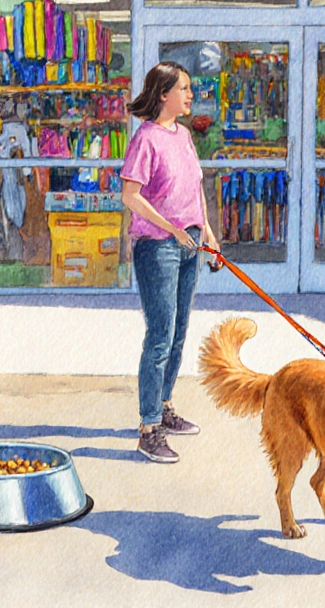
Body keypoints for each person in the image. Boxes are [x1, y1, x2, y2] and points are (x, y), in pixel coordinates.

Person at [120, 61, 218, 464]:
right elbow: (131, 195)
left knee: (178, 332)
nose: (191, 95)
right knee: (160, 336)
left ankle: (163, 406)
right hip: (158, 246)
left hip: (190, 241)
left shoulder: (183, 136)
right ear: (164, 94)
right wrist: (172, 228)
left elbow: (194, 188)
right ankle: (148, 428)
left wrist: (206, 232)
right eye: (185, 88)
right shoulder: (146, 138)